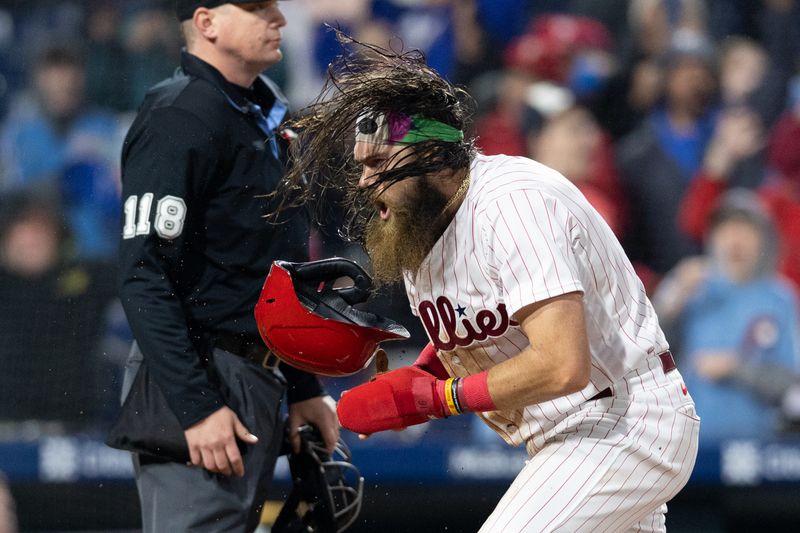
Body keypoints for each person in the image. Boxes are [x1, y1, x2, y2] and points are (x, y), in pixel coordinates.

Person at [280, 35, 699, 532]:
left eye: (378, 163)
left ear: (433, 156)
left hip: (621, 421)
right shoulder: (422, 230)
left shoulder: (512, 204)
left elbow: (562, 363)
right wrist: (416, 380)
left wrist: (436, 400)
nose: (366, 181)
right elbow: (482, 330)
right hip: (565, 437)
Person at [117, 2, 337, 532]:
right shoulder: (179, 113)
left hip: (259, 373)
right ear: (207, 22)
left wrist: (302, 386)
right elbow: (143, 275)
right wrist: (196, 406)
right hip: (202, 369)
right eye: (258, 9)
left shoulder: (265, 109)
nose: (279, 20)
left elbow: (272, 273)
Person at [655, 190, 800, 444]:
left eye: (745, 230)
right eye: (726, 229)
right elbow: (647, 358)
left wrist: (737, 367)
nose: (735, 240)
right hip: (692, 447)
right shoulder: (691, 288)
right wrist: (671, 298)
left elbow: (792, 382)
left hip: (761, 449)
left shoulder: (780, 298)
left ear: (764, 239)